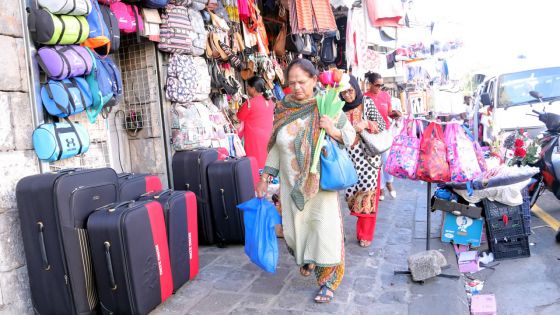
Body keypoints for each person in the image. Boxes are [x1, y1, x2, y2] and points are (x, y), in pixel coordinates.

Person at [256, 59, 356, 304]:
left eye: (302, 82)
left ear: (314, 80)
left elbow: (350, 137)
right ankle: (309, 259)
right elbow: (276, 147)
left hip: (319, 184)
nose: (297, 87)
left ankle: (328, 281)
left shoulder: (327, 105)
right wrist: (264, 178)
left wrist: (332, 129)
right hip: (290, 184)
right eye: (292, 83)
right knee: (295, 231)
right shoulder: (284, 108)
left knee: (324, 231)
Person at [340, 75, 386, 248]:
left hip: (367, 157)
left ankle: (365, 234)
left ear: (356, 88)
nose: (347, 95)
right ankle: (360, 229)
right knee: (352, 194)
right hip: (349, 157)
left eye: (350, 90)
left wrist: (365, 123)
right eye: (343, 92)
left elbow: (382, 125)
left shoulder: (366, 102)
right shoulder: (339, 107)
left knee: (367, 194)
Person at [364, 72, 400, 200]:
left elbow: (389, 112)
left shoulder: (385, 96)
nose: (379, 87)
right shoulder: (365, 97)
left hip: (384, 133)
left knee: (386, 161)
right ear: (370, 84)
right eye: (377, 85)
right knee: (376, 163)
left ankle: (389, 183)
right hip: (371, 135)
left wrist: (395, 114)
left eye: (381, 85)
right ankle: (381, 188)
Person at [236, 76, 275, 170]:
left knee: (254, 164)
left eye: (248, 87)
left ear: (253, 89)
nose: (247, 89)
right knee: (266, 162)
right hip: (268, 136)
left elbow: (239, 117)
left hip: (254, 138)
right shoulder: (270, 101)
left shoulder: (250, 103)